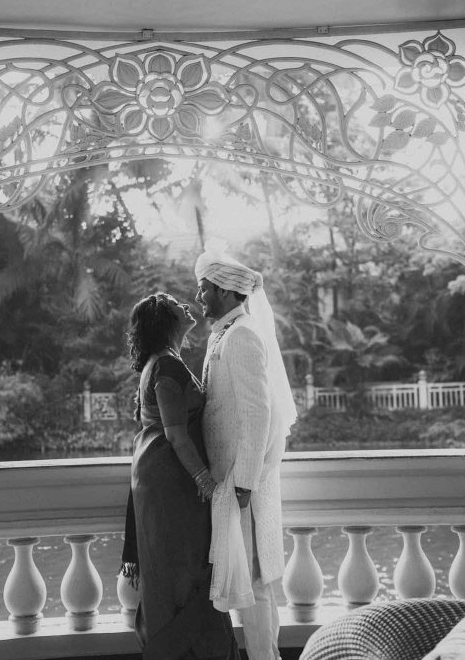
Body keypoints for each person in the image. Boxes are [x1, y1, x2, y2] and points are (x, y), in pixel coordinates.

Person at [120, 292, 240, 660]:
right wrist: (205, 480)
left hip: (157, 476)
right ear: (163, 319)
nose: (187, 306)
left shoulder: (160, 362)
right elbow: (174, 433)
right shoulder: (167, 366)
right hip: (173, 481)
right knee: (187, 571)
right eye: (176, 304)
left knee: (175, 570)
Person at [194, 244, 297, 660]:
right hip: (230, 483)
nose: (199, 298)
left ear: (222, 290)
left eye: (203, 289)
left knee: (254, 585)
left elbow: (259, 413)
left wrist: (244, 483)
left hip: (242, 485)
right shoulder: (224, 333)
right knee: (250, 585)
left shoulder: (242, 336)